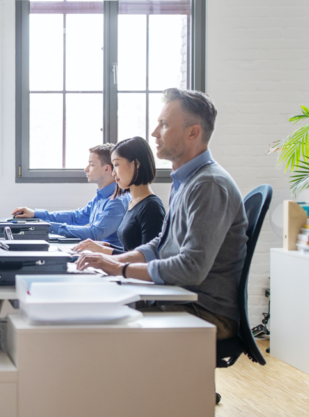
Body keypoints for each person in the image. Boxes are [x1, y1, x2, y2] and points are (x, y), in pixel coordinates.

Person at [74, 88, 248, 341]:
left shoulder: (208, 185)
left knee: (95, 324)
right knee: (89, 308)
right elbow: (161, 244)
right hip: (180, 296)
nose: (155, 133)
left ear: (193, 132)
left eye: (164, 125)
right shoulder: (185, 181)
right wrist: (116, 263)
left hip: (205, 311)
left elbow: (191, 268)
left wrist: (120, 270)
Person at [11, 144, 128, 248]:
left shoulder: (116, 201)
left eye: (91, 165)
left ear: (107, 168)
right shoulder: (101, 196)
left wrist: (46, 226)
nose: (86, 169)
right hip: (94, 252)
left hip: (108, 259)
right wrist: (35, 214)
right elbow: (76, 217)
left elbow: (94, 233)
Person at [72, 136, 165, 256]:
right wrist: (104, 246)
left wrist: (104, 251)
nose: (113, 172)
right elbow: (130, 249)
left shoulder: (152, 207)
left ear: (136, 164)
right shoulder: (133, 202)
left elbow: (148, 258)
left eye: (116, 165)